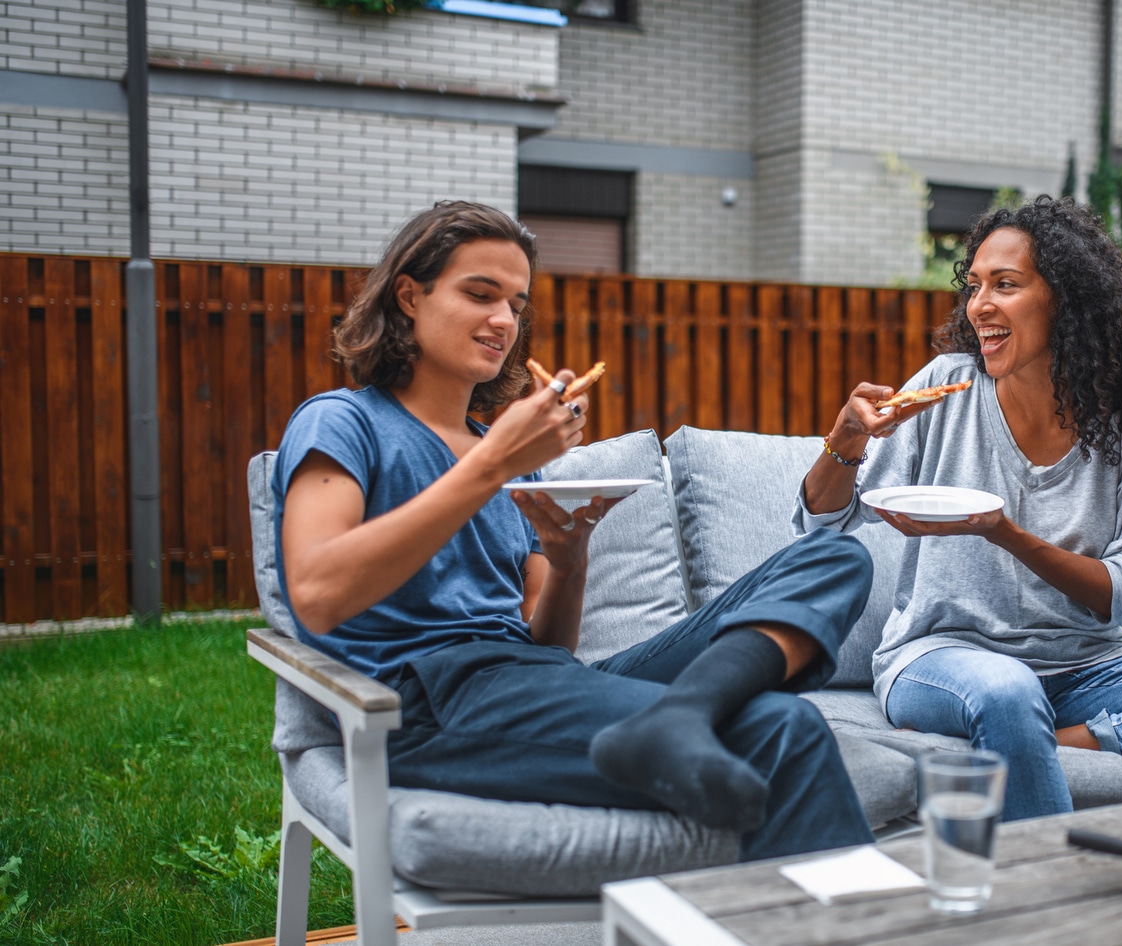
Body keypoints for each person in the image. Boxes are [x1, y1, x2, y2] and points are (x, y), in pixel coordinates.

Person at [272, 200, 875, 860]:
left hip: (527, 676)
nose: (503, 321)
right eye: (480, 294)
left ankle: (681, 715)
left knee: (834, 557)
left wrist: (568, 560)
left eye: (516, 304)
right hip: (431, 704)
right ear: (410, 296)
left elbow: (549, 649)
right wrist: (492, 465)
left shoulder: (497, 448)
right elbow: (318, 591)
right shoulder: (342, 423)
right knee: (779, 726)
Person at [796, 195, 1122, 821]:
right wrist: (846, 440)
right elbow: (824, 520)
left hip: (1090, 668)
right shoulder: (948, 388)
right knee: (1007, 690)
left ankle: (1053, 743)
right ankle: (1048, 877)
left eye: (1006, 285)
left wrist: (1006, 533)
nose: (979, 305)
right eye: (975, 286)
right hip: (940, 659)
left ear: (1066, 300)